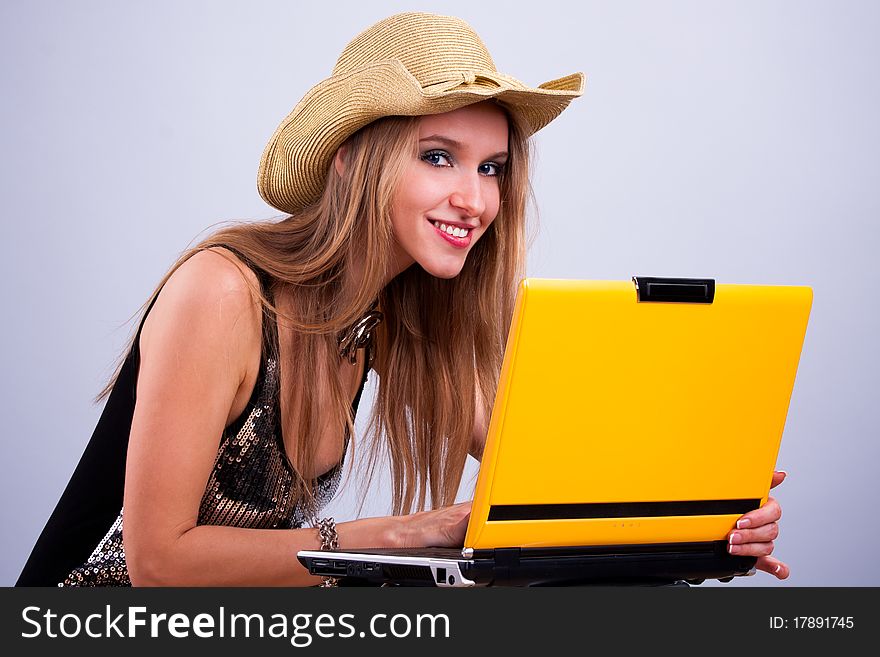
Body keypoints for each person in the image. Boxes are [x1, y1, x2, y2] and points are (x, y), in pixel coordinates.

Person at [16, 12, 788, 587]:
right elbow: (158, 562)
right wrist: (411, 531)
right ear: (353, 161)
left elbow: (556, 481)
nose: (474, 198)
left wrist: (708, 518)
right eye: (439, 157)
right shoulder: (222, 292)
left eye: (491, 168)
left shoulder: (388, 319)